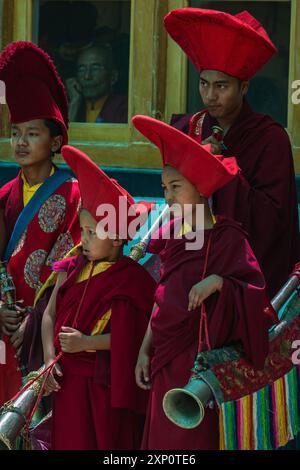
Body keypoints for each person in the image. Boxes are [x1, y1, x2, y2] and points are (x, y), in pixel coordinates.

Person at [132, 115, 278, 450]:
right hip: (163, 356)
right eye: (164, 189)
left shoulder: (226, 237)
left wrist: (219, 283)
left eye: (176, 187)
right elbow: (161, 299)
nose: (167, 198)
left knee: (191, 441)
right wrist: (144, 350)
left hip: (197, 363)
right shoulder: (171, 236)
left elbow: (256, 296)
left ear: (200, 187)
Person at [164, 8, 299, 298]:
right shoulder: (190, 128)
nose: (210, 96)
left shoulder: (270, 139)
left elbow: (273, 222)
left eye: (221, 86)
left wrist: (222, 171)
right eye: (204, 83)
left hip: (244, 272)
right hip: (191, 254)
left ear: (244, 87)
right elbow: (173, 196)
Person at [42, 145, 156, 450]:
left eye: (93, 232)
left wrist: (87, 344)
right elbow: (49, 315)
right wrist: (48, 359)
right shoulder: (70, 268)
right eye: (83, 231)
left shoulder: (131, 280)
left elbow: (133, 337)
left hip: (103, 384)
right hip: (66, 381)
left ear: (118, 238)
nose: (85, 240)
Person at [0, 41, 81, 404]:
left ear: (55, 141)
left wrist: (38, 318)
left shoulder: (74, 195)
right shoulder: (3, 196)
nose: (20, 142)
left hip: (44, 331)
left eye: (32, 133)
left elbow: (74, 265)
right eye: (15, 132)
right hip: (5, 327)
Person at [66, 44, 128, 123]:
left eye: (95, 68)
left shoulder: (124, 107)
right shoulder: (69, 105)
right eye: (82, 69)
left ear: (113, 77)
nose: (87, 76)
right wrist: (74, 103)